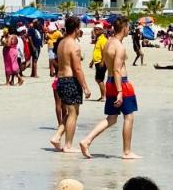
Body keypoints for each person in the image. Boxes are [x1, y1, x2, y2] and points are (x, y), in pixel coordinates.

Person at [80, 16, 139, 159]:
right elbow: (118, 70)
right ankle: (127, 151)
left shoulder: (108, 43)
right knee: (129, 117)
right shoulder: (119, 46)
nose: (129, 30)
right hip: (121, 84)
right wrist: (120, 92)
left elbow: (107, 65)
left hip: (110, 81)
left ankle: (86, 140)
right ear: (124, 28)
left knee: (111, 118)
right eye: (128, 28)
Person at [50, 16, 91, 153]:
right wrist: (85, 87)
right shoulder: (73, 45)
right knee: (73, 113)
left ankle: (57, 137)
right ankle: (68, 145)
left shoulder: (61, 42)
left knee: (71, 112)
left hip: (60, 80)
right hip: (70, 80)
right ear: (77, 29)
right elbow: (77, 68)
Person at [90, 27, 108, 100]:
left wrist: (102, 61)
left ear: (101, 30)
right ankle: (103, 96)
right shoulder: (98, 39)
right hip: (97, 61)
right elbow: (97, 51)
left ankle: (104, 96)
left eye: (97, 29)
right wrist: (92, 61)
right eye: (95, 29)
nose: (95, 30)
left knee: (99, 79)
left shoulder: (103, 39)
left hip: (101, 62)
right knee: (99, 79)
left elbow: (104, 51)